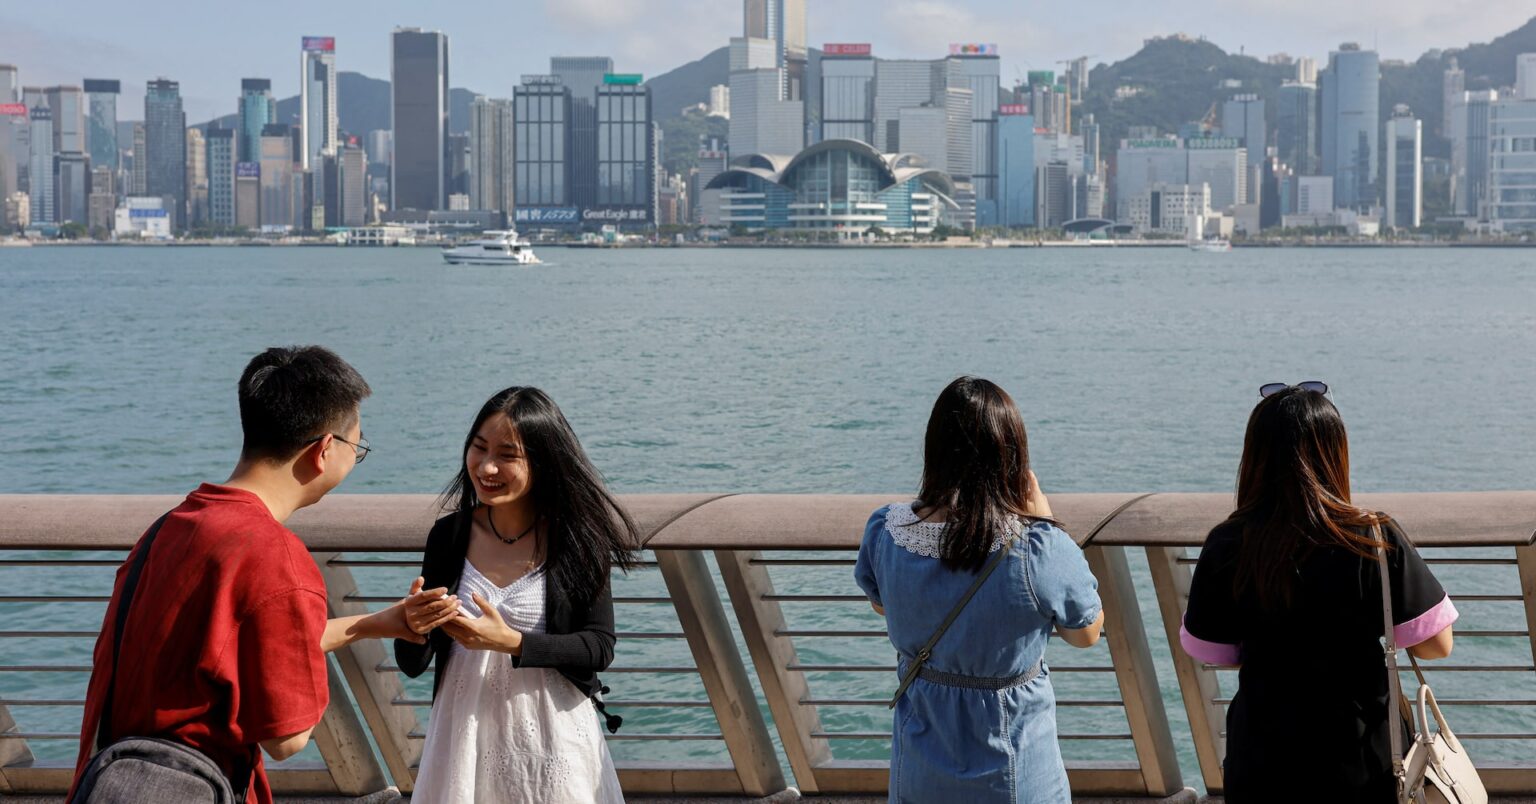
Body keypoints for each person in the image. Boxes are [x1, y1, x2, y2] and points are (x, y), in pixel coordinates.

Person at [69, 346, 432, 804]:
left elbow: (226, 645)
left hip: (111, 783)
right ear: (324, 450)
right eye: (356, 447)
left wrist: (375, 623)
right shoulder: (276, 556)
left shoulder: (171, 527)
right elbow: (289, 738)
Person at [1181, 382, 1458, 803]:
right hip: (1364, 753)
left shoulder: (1228, 542)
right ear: (1335, 454)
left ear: (1255, 458)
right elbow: (1437, 645)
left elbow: (1209, 649)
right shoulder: (1375, 536)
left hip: (1264, 754)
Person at [854, 376, 1105, 804]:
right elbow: (1085, 634)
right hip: (1014, 760)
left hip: (921, 756)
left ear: (934, 450)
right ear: (1010, 457)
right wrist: (1043, 519)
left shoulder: (886, 530)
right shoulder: (1036, 547)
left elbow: (884, 606)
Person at [395, 386, 639, 803]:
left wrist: (512, 642)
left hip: (553, 737)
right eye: (479, 448)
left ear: (543, 462)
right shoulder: (449, 536)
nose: (487, 467)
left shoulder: (578, 539)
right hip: (462, 735)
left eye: (507, 455)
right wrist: (414, 626)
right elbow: (413, 662)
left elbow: (600, 647)